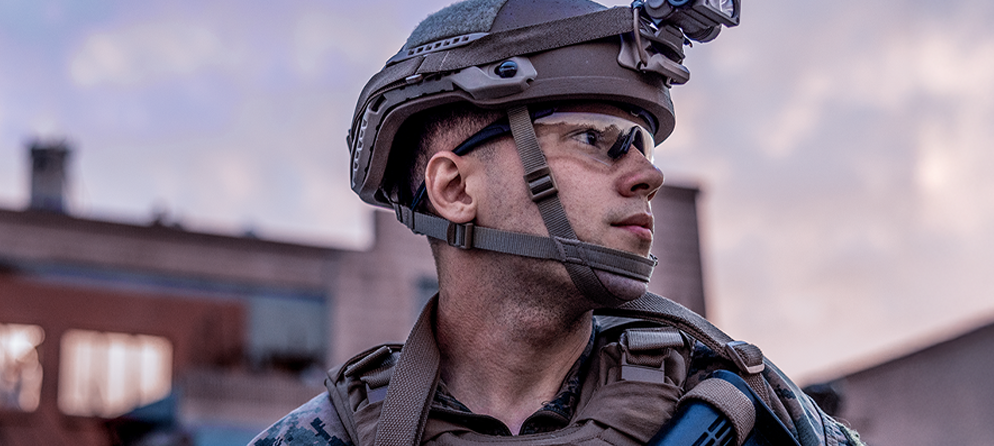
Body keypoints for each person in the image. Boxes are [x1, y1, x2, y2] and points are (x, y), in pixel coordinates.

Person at [251, 0, 863, 445]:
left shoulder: (746, 415)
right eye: (596, 139)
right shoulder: (319, 438)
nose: (647, 176)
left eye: (645, 145)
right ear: (456, 188)